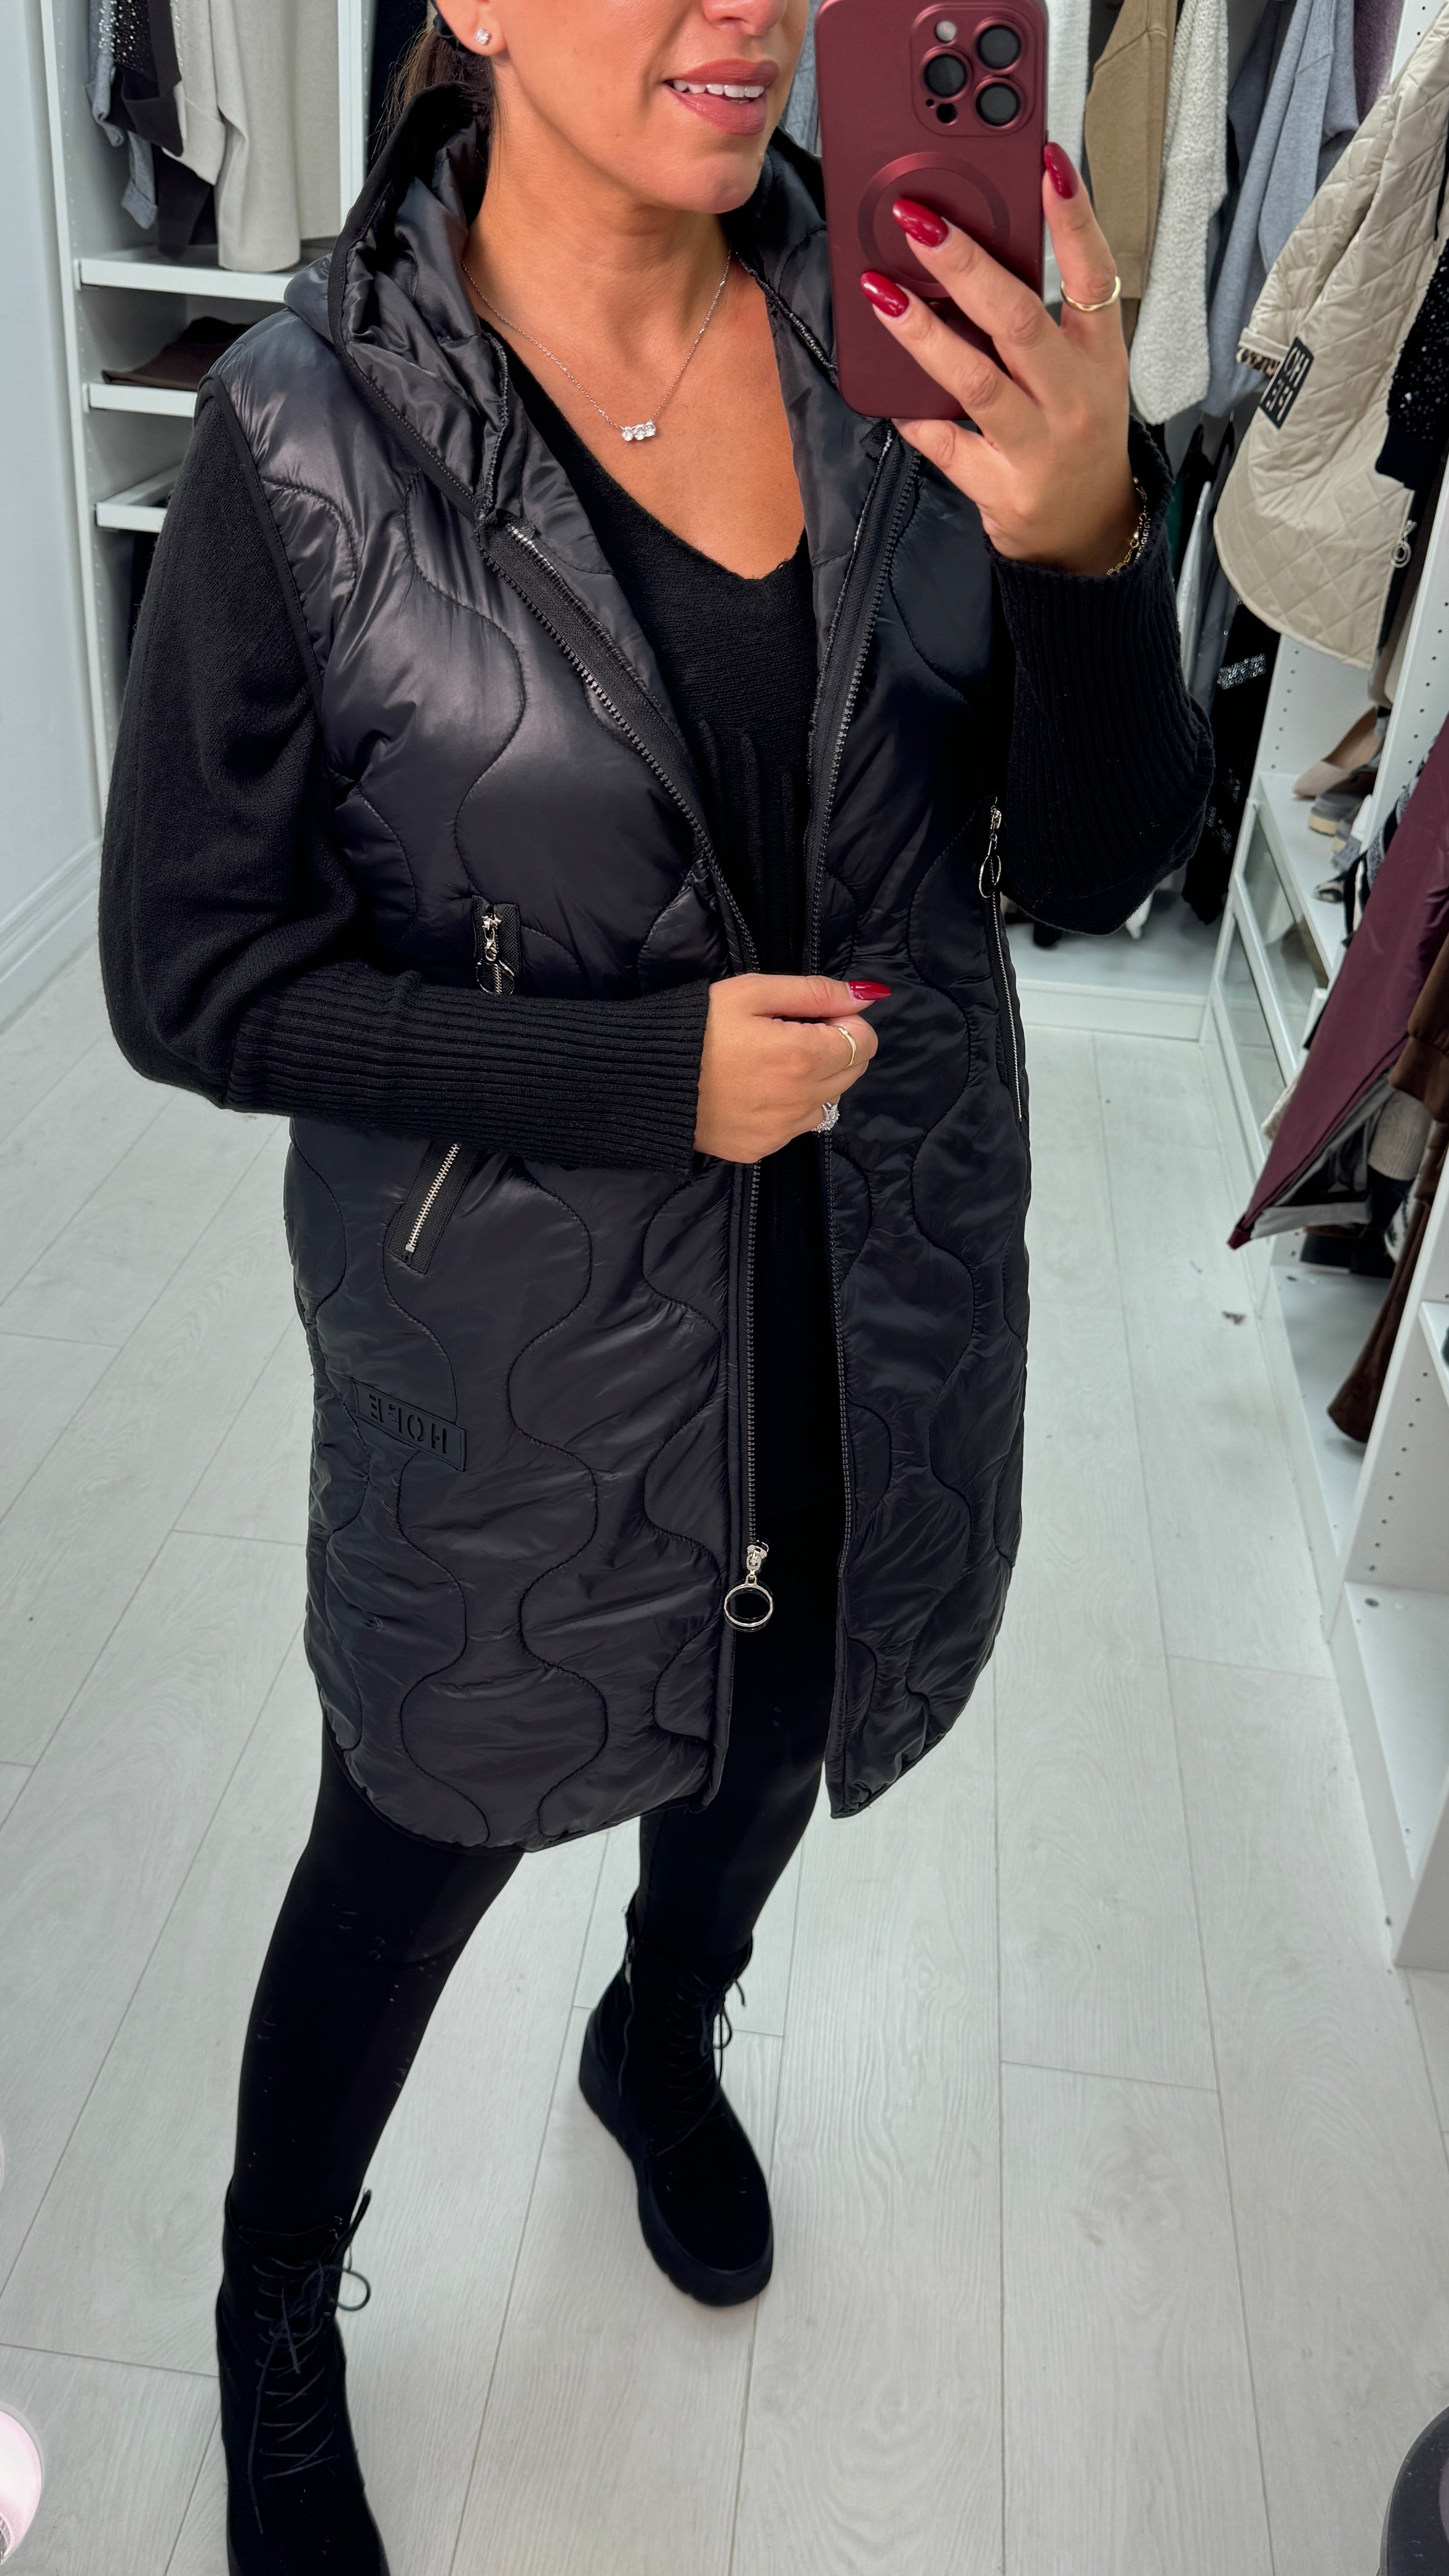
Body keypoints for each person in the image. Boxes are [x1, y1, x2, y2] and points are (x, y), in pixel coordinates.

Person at [100, 0, 1211, 2562]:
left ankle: (659, 2029)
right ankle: (275, 2302)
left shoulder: (909, 353)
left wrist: (1087, 548)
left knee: (766, 1733)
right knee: (407, 1846)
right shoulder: (305, 438)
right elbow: (192, 979)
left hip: (879, 1306)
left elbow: (1092, 864)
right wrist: (632, 1077)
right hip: (512, 1373)